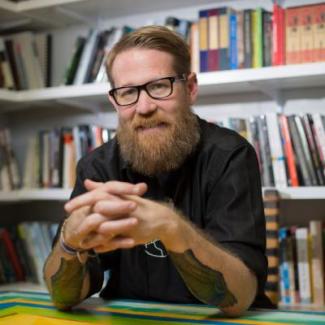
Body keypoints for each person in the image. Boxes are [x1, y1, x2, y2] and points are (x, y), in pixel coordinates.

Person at [44, 25, 271, 317]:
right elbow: (63, 300)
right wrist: (69, 241)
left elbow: (240, 297)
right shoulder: (97, 167)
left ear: (190, 88)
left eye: (160, 86)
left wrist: (173, 229)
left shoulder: (230, 155)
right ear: (115, 101)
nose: (145, 106)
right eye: (128, 92)